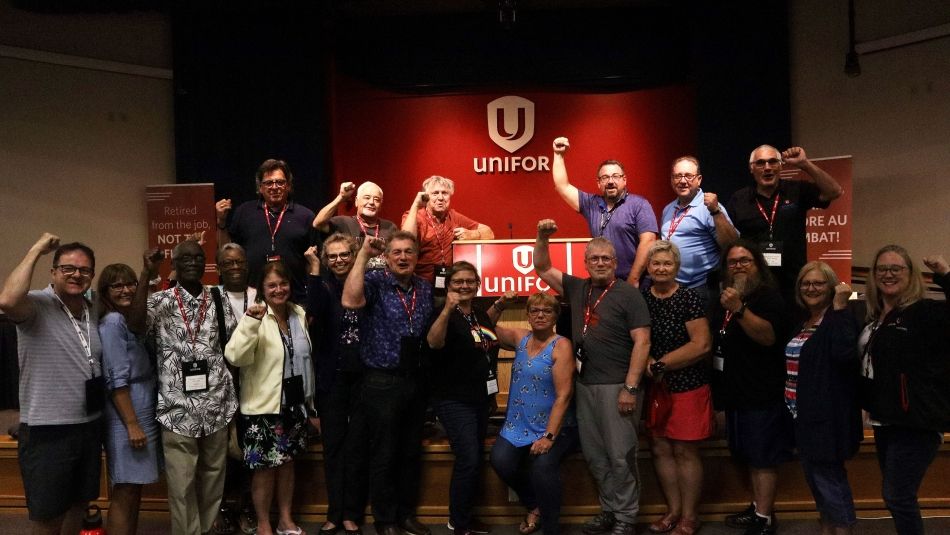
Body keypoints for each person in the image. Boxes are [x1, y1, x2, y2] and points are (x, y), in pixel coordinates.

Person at [533, 219, 651, 535]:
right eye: (594, 259)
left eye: (606, 259)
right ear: (585, 263)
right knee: (597, 457)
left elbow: (643, 342)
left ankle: (626, 517)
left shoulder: (629, 294)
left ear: (615, 263)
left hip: (618, 388)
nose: (600, 263)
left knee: (620, 456)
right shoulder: (578, 287)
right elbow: (542, 267)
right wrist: (542, 237)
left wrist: (630, 386)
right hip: (585, 387)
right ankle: (610, 511)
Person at [0, 234, 103, 535]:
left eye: (84, 270)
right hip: (48, 431)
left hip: (88, 425)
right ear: (54, 271)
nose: (76, 275)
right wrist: (35, 250)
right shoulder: (36, 304)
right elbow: (6, 300)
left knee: (79, 507)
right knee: (48, 517)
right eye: (68, 268)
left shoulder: (90, 307)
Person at [342, 231, 435, 535]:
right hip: (381, 381)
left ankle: (406, 514)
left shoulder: (424, 287)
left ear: (417, 256)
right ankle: (385, 519)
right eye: (396, 252)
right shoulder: (376, 282)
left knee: (410, 451)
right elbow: (350, 300)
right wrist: (363, 257)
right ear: (387, 257)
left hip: (415, 380)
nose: (403, 257)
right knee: (384, 453)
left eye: (409, 251)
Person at [144, 239, 239, 535]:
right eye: (184, 258)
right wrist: (146, 273)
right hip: (176, 406)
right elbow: (135, 324)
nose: (192, 263)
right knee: (181, 483)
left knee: (213, 476)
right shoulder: (161, 302)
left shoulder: (219, 298)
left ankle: (207, 527)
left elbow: (233, 346)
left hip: (216, 403)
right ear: (173, 264)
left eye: (198, 258)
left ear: (205, 263)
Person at [859, 247, 950, 535]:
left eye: (896, 268)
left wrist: (945, 274)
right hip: (886, 421)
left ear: (910, 275)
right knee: (897, 496)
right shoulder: (874, 319)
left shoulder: (923, 312)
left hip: (916, 423)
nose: (888, 274)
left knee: (898, 496)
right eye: (882, 269)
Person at [226, 261, 317, 535]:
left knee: (287, 464)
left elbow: (303, 359)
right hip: (263, 408)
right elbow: (235, 357)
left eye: (283, 283)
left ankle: (285, 519)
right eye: (272, 286)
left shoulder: (297, 313)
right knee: (264, 470)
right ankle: (264, 523)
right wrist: (251, 324)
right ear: (262, 290)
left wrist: (310, 405)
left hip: (295, 404)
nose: (279, 290)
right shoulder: (254, 316)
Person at [712, 239, 791, 535]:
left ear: (758, 265)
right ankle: (758, 507)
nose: (739, 267)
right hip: (735, 392)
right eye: (733, 262)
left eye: (745, 260)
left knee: (763, 458)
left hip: (763, 393)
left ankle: (765, 518)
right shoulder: (724, 299)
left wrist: (740, 309)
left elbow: (768, 337)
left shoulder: (768, 297)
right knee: (747, 455)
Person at [488, 292, 580, 535]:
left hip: (555, 427)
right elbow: (483, 324)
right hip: (518, 424)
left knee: (542, 467)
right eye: (535, 311)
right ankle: (533, 505)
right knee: (500, 461)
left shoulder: (561, 345)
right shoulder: (519, 337)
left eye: (546, 311)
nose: (540, 315)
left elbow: (564, 396)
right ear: (527, 315)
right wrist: (501, 303)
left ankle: (551, 527)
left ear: (555, 316)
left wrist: (548, 437)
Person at [640, 241, 712, 535]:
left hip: (687, 385)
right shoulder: (641, 299)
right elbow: (635, 340)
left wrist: (661, 364)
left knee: (685, 451)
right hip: (654, 389)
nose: (661, 268)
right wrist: (648, 362)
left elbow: (702, 344)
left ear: (677, 267)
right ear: (647, 267)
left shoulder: (689, 299)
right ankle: (672, 511)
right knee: (660, 449)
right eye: (656, 263)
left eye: (667, 263)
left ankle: (689, 516)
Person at [786, 262, 861, 535]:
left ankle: (843, 530)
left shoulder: (839, 317)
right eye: (806, 283)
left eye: (818, 283)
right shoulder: (803, 322)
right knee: (816, 483)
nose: (811, 288)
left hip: (827, 417)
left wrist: (841, 306)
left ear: (831, 288)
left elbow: (844, 355)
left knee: (830, 482)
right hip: (802, 415)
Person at [426, 261, 501, 535]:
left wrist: (491, 394)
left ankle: (465, 517)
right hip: (453, 399)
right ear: (449, 286)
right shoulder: (440, 312)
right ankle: (458, 523)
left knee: (475, 457)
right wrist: (447, 308)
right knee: (468, 457)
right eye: (458, 282)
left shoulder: (480, 314)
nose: (464, 286)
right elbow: (434, 342)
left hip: (480, 398)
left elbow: (486, 344)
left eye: (470, 281)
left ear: (478, 284)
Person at [726, 145, 843, 304]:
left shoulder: (797, 190)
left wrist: (804, 164)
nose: (767, 168)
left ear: (781, 166)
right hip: (755, 284)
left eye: (773, 162)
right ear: (751, 168)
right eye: (760, 163)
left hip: (793, 282)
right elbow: (731, 241)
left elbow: (834, 192)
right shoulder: (739, 199)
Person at [305, 235, 367, 535]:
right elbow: (312, 310)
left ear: (354, 255)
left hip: (363, 378)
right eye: (333, 256)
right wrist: (315, 269)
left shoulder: (367, 283)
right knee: (333, 449)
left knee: (356, 448)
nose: (339, 260)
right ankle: (334, 512)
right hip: (331, 378)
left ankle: (351, 513)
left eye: (344, 255)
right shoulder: (323, 286)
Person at [97, 261, 161, 535]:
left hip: (142, 404)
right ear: (105, 291)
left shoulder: (129, 320)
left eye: (130, 283)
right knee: (124, 488)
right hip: (128, 410)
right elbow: (115, 378)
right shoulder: (112, 322)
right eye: (117, 285)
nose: (125, 290)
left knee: (134, 487)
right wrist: (132, 424)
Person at [550, 137, 658, 286]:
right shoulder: (591, 204)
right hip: (603, 283)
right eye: (605, 177)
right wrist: (558, 155)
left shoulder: (639, 204)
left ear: (624, 180)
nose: (610, 181)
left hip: (636, 283)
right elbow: (562, 186)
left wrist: (633, 279)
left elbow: (649, 241)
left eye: (615, 176)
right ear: (599, 183)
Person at [216, 158, 316, 301]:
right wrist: (221, 221)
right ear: (260, 188)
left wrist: (312, 301)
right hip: (252, 299)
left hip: (295, 299)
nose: (274, 187)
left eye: (280, 182)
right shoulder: (244, 212)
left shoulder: (305, 216)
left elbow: (313, 263)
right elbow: (227, 251)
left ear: (288, 186)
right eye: (268, 183)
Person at [215, 242, 258, 534]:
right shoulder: (209, 296)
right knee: (220, 454)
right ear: (219, 268)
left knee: (247, 451)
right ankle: (222, 509)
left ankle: (244, 506)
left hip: (253, 385)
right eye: (228, 263)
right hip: (217, 387)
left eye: (239, 262)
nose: (234, 268)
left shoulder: (259, 295)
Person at [660, 156, 738, 304]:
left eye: (689, 176)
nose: (683, 181)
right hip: (672, 287)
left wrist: (715, 211)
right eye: (678, 176)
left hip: (702, 288)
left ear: (699, 179)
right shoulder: (668, 209)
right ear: (672, 179)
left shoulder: (711, 207)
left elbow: (732, 244)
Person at [401, 175, 494, 287]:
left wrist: (473, 234)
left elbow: (489, 233)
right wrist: (416, 205)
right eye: (435, 193)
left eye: (444, 193)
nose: (440, 198)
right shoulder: (415, 216)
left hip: (449, 284)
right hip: (419, 284)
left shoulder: (453, 216)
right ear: (426, 197)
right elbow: (406, 240)